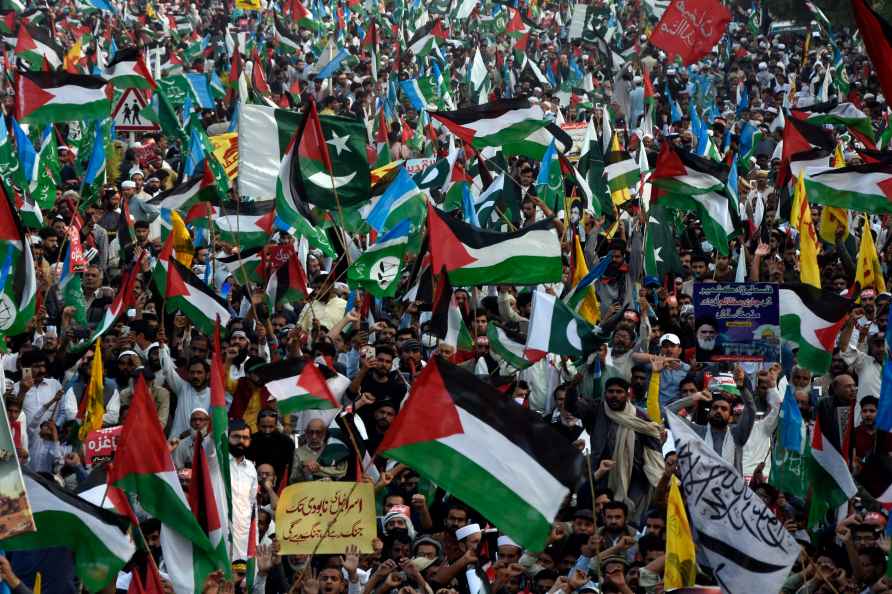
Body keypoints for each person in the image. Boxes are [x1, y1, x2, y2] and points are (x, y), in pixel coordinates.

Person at [565, 378, 665, 520]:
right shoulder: (596, 410)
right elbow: (572, 407)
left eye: (619, 392)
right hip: (602, 474)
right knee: (603, 515)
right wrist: (572, 387)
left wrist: (660, 473)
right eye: (611, 392)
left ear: (627, 395)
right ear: (605, 394)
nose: (615, 395)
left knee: (631, 515)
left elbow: (653, 439)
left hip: (634, 476)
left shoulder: (639, 417)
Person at [228, 419, 257, 561]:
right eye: (236, 436)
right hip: (222, 531)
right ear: (227, 437)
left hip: (244, 533)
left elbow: (252, 505)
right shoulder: (216, 461)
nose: (241, 441)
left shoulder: (251, 468)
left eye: (245, 438)